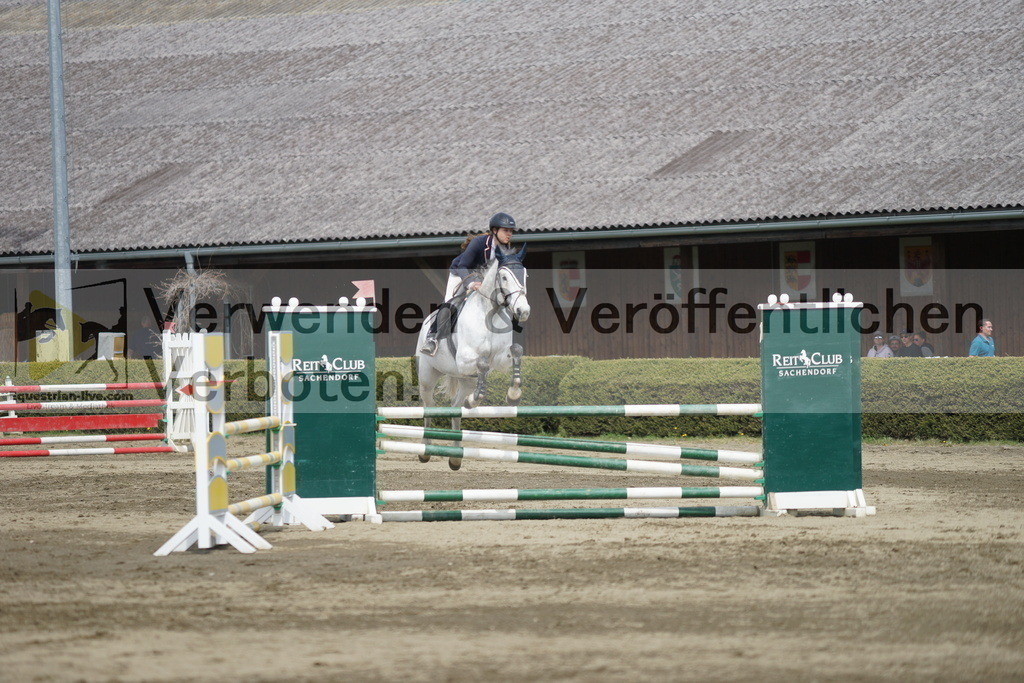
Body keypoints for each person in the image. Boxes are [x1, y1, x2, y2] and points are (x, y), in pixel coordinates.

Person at [420, 212, 519, 356]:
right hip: (461, 273)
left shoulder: (506, 248)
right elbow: (462, 266)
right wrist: (471, 283)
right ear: (495, 231)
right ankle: (432, 338)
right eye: (506, 230)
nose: (509, 234)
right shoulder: (479, 243)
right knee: (450, 303)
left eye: (510, 231)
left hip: (483, 279)